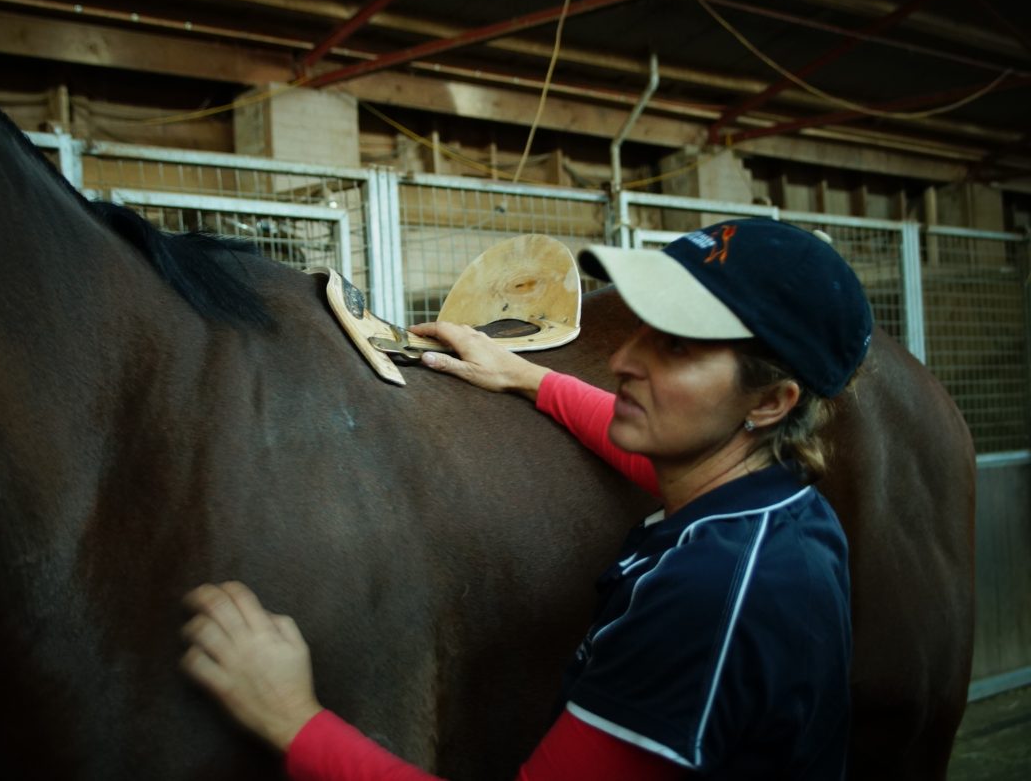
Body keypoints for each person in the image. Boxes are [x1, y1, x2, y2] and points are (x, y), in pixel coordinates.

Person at [180, 218, 872, 780]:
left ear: (772, 401)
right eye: (644, 327)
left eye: (680, 349)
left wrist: (292, 720)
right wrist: (523, 376)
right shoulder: (782, 508)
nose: (627, 359)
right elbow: (639, 449)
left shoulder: (707, 593)